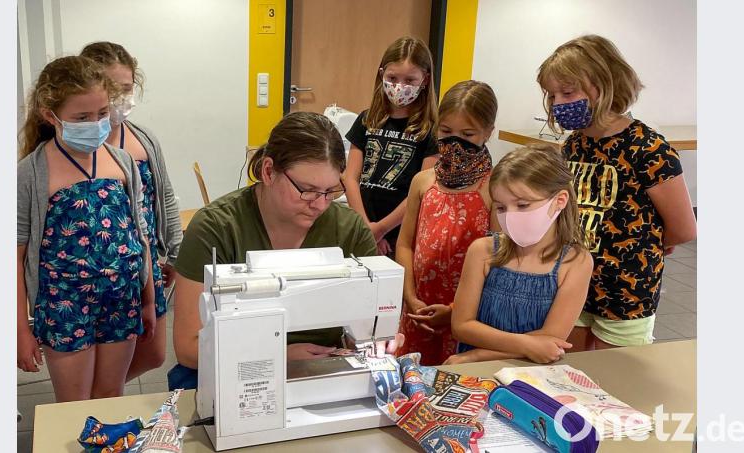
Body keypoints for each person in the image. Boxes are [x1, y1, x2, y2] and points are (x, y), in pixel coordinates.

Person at [169, 112, 385, 391]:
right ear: (269, 171)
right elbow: (189, 346)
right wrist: (276, 357)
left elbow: (375, 319)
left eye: (331, 191)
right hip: (231, 370)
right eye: (307, 190)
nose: (320, 205)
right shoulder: (216, 228)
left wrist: (378, 338)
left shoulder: (349, 229)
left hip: (324, 368)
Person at [537, 35, 697, 350]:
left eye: (567, 92)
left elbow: (683, 228)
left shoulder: (648, 147)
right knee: (569, 371)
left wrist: (648, 245)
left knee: (617, 380)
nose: (558, 103)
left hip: (627, 292)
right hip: (574, 283)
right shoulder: (574, 145)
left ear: (605, 84)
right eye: (551, 94)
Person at [17, 56, 155, 401]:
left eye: (102, 113)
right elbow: (13, 258)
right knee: (74, 404)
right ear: (51, 115)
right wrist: (21, 329)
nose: (95, 124)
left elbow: (141, 235)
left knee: (111, 393)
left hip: (121, 299)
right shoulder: (31, 173)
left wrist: (149, 300)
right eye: (82, 118)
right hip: (65, 304)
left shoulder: (121, 161)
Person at [81, 42, 183, 381]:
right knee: (101, 359)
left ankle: (103, 392)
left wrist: (173, 254)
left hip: (145, 260)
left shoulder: (143, 139)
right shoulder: (77, 145)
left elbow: (164, 196)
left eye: (126, 89)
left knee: (153, 353)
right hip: (96, 271)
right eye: (111, 90)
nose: (120, 99)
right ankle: (98, 398)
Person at [446, 145, 593, 365]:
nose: (511, 216)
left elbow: (552, 340)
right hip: (474, 372)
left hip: (528, 372)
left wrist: (478, 355)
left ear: (559, 201)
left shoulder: (575, 262)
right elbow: (462, 326)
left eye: (523, 205)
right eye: (501, 208)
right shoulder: (483, 251)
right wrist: (528, 345)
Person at [394, 80, 498, 366]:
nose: (455, 143)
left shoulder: (494, 190)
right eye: (446, 132)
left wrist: (454, 311)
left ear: (487, 132)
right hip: (418, 310)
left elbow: (498, 260)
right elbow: (405, 244)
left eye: (467, 134)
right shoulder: (423, 182)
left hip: (466, 315)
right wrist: (410, 297)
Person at [343, 36, 439, 258]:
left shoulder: (430, 131)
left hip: (400, 233)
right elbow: (350, 178)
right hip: (362, 225)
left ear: (424, 80)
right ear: (381, 74)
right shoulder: (366, 120)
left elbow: (421, 191)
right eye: (392, 78)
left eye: (409, 80)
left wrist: (382, 229)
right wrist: (367, 228)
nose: (399, 87)